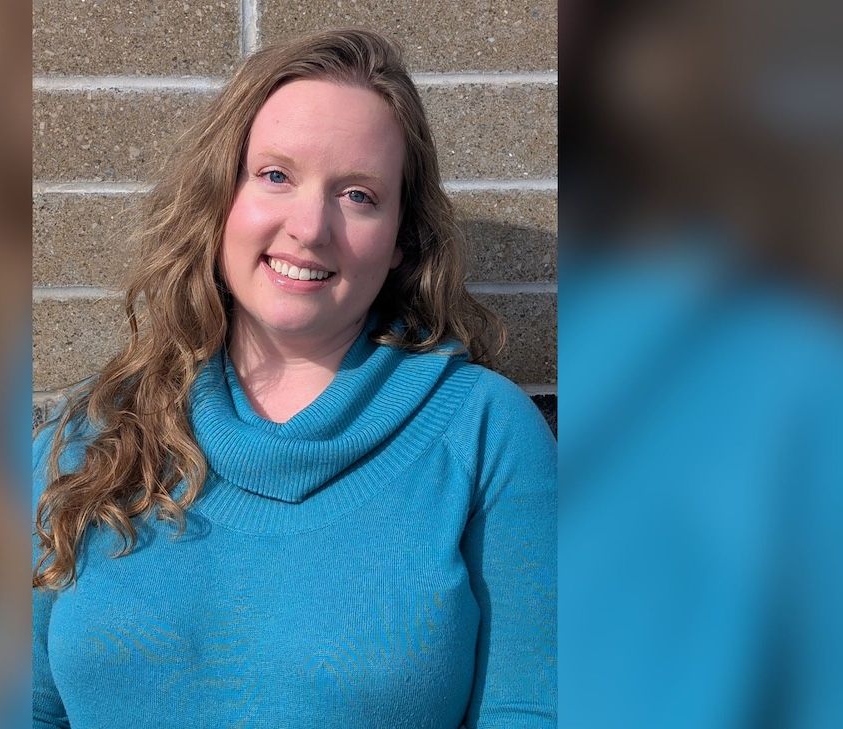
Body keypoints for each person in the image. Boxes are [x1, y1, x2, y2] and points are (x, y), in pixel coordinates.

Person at [32, 28, 556, 728]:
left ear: (403, 238)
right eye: (276, 175)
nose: (310, 227)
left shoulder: (484, 434)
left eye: (360, 195)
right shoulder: (91, 432)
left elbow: (531, 711)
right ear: (223, 199)